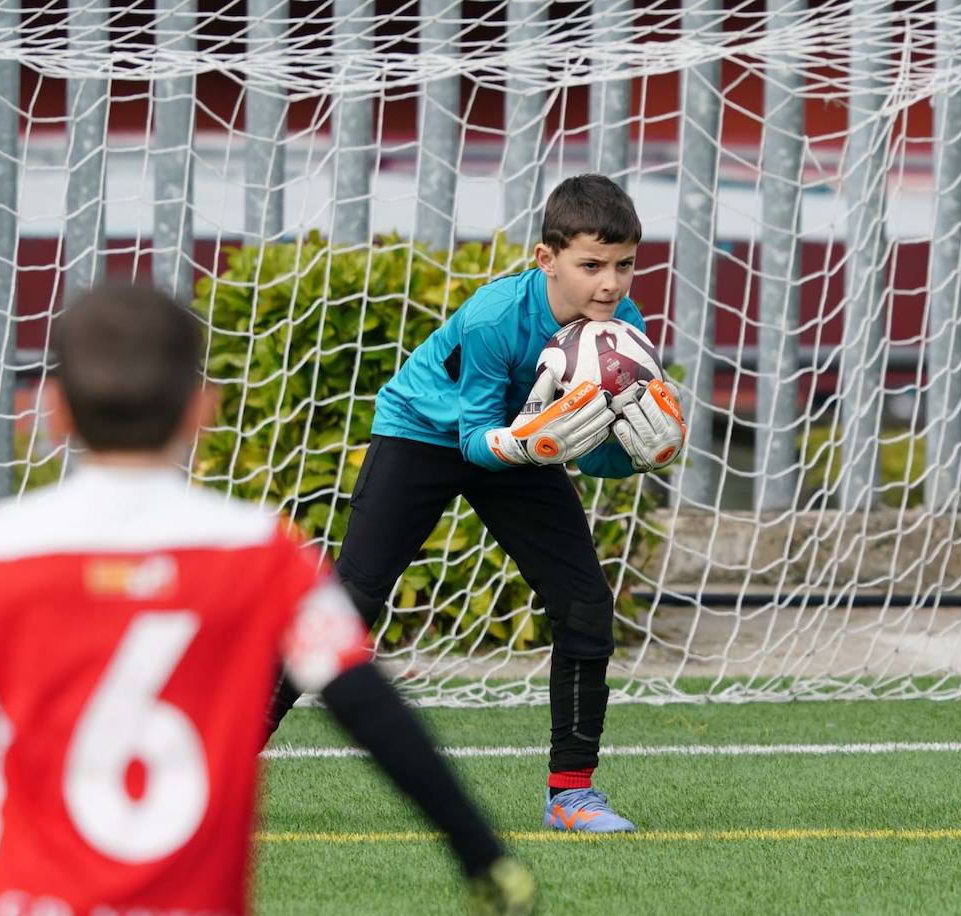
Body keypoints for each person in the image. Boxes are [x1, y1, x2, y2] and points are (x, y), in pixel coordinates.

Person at [0, 285, 535, 915]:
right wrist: (480, 851)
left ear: (56, 411)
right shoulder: (260, 552)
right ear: (202, 409)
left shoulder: (1, 551)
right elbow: (368, 706)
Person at [268, 174, 687, 833]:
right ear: (546, 260)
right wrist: (537, 441)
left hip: (522, 445)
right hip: (427, 434)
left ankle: (571, 795)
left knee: (584, 605)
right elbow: (473, 438)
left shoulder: (622, 328)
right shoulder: (496, 318)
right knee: (350, 602)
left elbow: (598, 455)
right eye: (591, 265)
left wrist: (638, 452)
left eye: (624, 265)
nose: (609, 284)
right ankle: (221, 764)